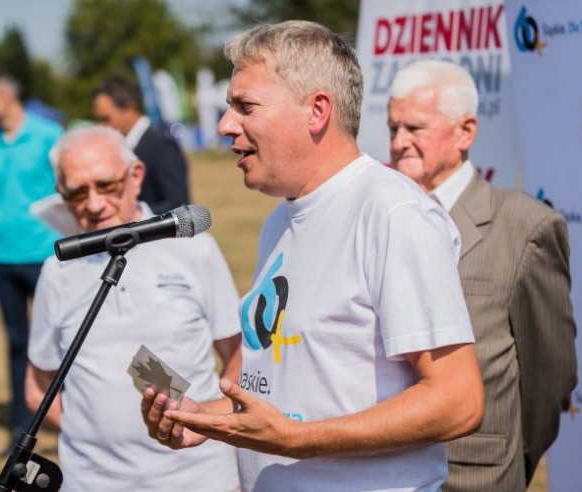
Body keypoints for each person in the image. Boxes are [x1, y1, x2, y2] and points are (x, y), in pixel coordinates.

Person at [142, 20, 484, 492]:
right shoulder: (279, 221)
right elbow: (283, 382)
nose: (225, 126)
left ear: (317, 110)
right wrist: (206, 417)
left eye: (245, 106)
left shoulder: (392, 213)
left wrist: (298, 440)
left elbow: (458, 401)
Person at [387, 59, 577, 491]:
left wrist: (509, 461)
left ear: (465, 132)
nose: (398, 142)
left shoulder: (525, 226)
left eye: (414, 128)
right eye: (393, 127)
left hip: (474, 476)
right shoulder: (380, 216)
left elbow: (549, 376)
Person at [25, 126, 241, 492]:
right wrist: (95, 437)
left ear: (136, 175)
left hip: (199, 477)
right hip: (91, 482)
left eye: (107, 185)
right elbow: (37, 386)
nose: (94, 204)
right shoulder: (57, 272)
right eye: (77, 193)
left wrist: (208, 419)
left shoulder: (193, 249)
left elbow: (239, 356)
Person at [0, 67, 64, 445]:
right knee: (16, 342)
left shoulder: (49, 135)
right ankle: (20, 425)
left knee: (59, 339)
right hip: (2, 256)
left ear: (6, 96)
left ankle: (67, 416)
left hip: (45, 253)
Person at [92, 74, 190, 214]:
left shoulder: (161, 145)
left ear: (130, 109)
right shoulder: (123, 146)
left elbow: (179, 206)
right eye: (98, 120)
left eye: (106, 119)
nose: (101, 127)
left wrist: (126, 213)